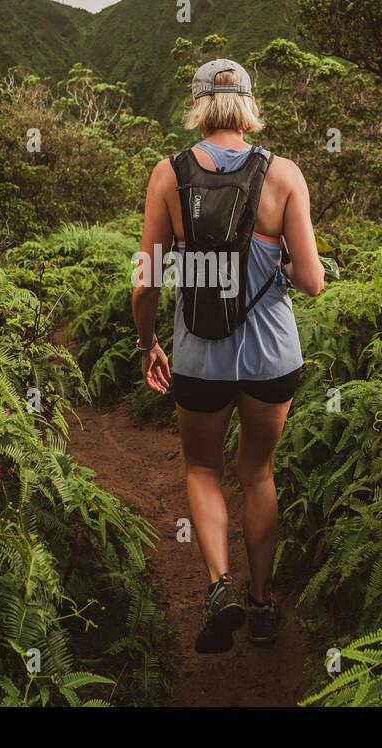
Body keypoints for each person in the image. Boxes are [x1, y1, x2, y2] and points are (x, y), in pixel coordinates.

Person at [131, 58, 324, 654]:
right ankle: (263, 606)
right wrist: (279, 261)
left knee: (202, 470)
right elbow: (312, 281)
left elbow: (145, 283)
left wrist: (148, 344)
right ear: (248, 104)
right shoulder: (284, 173)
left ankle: (220, 588)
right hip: (270, 356)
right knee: (257, 472)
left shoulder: (169, 174)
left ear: (197, 105)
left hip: (199, 357)